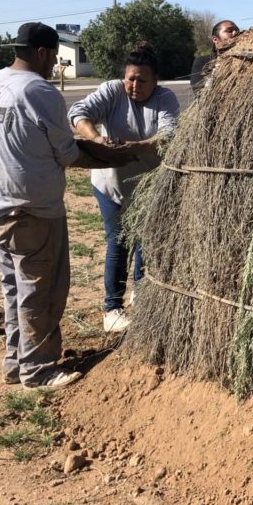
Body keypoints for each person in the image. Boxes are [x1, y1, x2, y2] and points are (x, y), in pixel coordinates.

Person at [0, 22, 131, 388]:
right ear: (43, 52)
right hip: (30, 208)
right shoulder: (39, 91)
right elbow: (67, 152)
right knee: (41, 290)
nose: (54, 64)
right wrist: (113, 156)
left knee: (15, 288)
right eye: (55, 57)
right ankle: (38, 369)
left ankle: (15, 362)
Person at [68, 42, 180, 332]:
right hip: (110, 184)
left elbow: (168, 135)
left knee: (145, 242)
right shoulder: (112, 91)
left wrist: (138, 147)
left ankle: (141, 294)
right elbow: (78, 113)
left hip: (146, 186)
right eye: (130, 78)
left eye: (142, 80)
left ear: (156, 81)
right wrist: (96, 139)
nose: (134, 85)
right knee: (118, 242)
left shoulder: (165, 99)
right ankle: (112, 308)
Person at [190, 19, 240, 92]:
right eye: (229, 31)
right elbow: (198, 89)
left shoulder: (243, 59)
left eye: (237, 30)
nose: (235, 33)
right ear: (215, 39)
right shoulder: (202, 62)